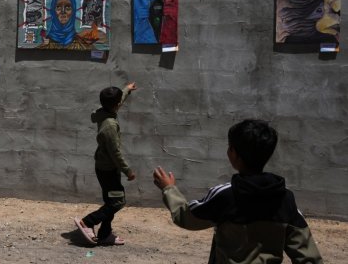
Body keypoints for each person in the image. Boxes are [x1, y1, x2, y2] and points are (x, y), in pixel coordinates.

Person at [152, 119, 323, 264]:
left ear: (233, 154)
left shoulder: (226, 195)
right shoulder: (285, 198)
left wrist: (169, 189)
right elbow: (307, 255)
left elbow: (187, 217)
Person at [74, 82, 138, 247]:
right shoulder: (109, 126)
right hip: (109, 170)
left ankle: (104, 234)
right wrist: (128, 171)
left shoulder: (103, 112)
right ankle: (87, 222)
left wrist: (127, 90)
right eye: (119, 103)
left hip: (105, 167)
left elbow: (117, 101)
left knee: (110, 202)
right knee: (117, 202)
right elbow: (115, 153)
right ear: (115, 106)